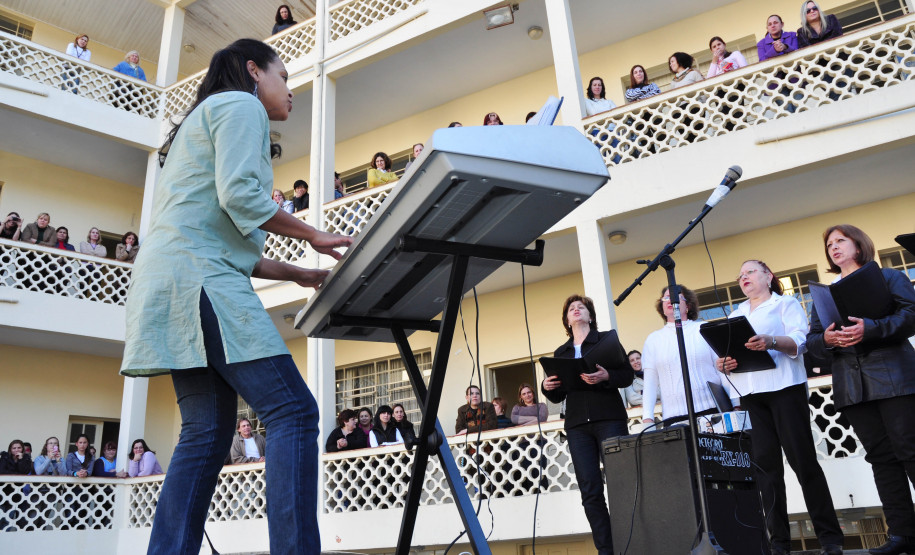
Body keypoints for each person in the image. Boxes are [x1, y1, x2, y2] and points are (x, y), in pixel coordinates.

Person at [119, 38, 352, 554]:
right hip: (201, 279)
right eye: (283, 76)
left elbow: (226, 238)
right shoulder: (242, 105)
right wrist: (314, 234)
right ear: (253, 70)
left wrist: (299, 273)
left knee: (204, 434)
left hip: (170, 283)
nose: (290, 89)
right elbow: (241, 196)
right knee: (293, 411)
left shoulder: (204, 120)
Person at [716, 259, 844, 555]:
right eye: (740, 274)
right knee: (766, 471)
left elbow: (801, 342)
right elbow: (727, 355)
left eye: (750, 271)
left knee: (804, 463)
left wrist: (771, 341)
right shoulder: (735, 314)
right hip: (751, 395)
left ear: (768, 276)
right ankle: (779, 544)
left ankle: (830, 539)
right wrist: (723, 364)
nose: (743, 277)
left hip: (785, 389)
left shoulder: (785, 304)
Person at [807, 224, 915, 555]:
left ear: (858, 244)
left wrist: (872, 328)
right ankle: (903, 534)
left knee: (911, 451)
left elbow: (912, 315)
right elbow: (813, 342)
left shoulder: (888, 276)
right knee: (881, 459)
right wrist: (827, 340)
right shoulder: (823, 294)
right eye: (829, 244)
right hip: (853, 388)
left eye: (841, 240)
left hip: (895, 378)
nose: (834, 247)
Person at [541, 294, 633, 554]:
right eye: (571, 308)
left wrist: (606, 376)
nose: (576, 310)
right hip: (578, 426)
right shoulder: (561, 353)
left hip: (609, 419)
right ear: (567, 320)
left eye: (581, 307)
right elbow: (557, 395)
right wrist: (546, 386)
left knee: (620, 483)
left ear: (590, 316)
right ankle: (606, 550)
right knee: (590, 490)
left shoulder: (606, 340)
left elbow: (627, 375)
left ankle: (629, 543)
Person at [641, 285, 726, 425]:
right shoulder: (653, 340)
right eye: (666, 298)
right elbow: (650, 382)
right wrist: (647, 416)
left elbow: (722, 369)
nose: (670, 301)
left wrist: (735, 403)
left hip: (711, 409)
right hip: (673, 416)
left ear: (688, 305)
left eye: (676, 297)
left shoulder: (703, 329)